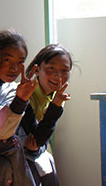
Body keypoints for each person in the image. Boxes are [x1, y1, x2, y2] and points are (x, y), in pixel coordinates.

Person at [0, 29, 38, 186]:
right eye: (7, 60)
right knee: (13, 144)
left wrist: (21, 100)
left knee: (4, 165)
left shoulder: (13, 89)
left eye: (20, 62)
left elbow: (0, 132)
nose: (14, 68)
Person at [17, 44, 73, 186]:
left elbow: (41, 138)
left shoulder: (57, 96)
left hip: (37, 147)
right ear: (37, 69)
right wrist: (37, 146)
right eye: (51, 68)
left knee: (48, 168)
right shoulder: (27, 92)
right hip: (15, 143)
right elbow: (33, 137)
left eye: (64, 70)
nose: (57, 75)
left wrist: (56, 104)